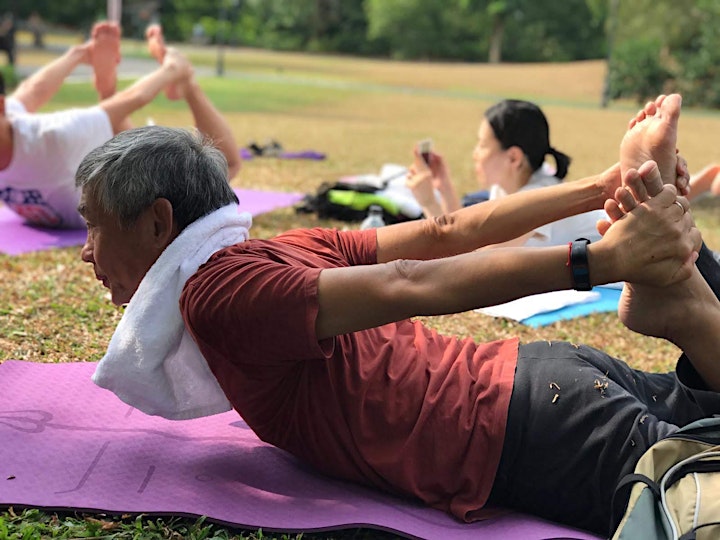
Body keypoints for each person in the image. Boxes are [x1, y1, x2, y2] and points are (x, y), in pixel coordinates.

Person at [76, 93, 720, 537]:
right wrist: (603, 185)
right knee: (705, 418)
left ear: (159, 221)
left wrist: (601, 262)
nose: (85, 252)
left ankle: (686, 301)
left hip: (520, 431)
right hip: (540, 384)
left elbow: (409, 282)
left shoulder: (219, 295)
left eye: (94, 228)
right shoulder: (277, 250)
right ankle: (691, 304)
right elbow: (443, 231)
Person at [0, 21, 240, 229]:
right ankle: (108, 91)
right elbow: (31, 91)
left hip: (124, 192)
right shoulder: (14, 119)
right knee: (117, 135)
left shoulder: (54, 135)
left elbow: (134, 99)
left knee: (225, 165)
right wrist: (79, 54)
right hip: (104, 172)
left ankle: (186, 82)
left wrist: (173, 70)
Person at [406, 99, 607, 248]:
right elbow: (465, 238)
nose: (475, 154)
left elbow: (472, 262)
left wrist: (429, 203)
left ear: (513, 158)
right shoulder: (508, 188)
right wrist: (445, 187)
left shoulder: (535, 199)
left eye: (483, 145)